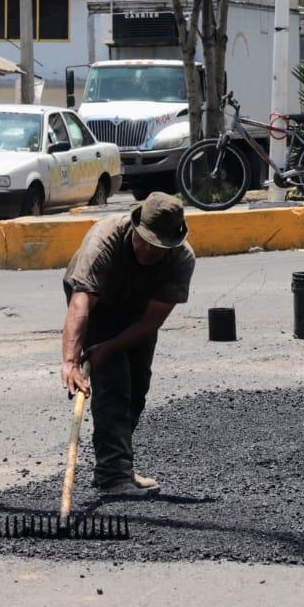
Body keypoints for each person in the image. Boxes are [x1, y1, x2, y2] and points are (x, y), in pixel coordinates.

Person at [60, 193, 195, 497]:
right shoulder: (104, 239)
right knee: (114, 385)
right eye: (145, 241)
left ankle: (118, 464)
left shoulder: (182, 260)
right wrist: (71, 361)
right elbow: (81, 303)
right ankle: (113, 475)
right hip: (97, 306)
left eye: (158, 246)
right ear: (135, 227)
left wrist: (110, 347)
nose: (149, 251)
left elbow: (152, 321)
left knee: (137, 388)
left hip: (138, 316)